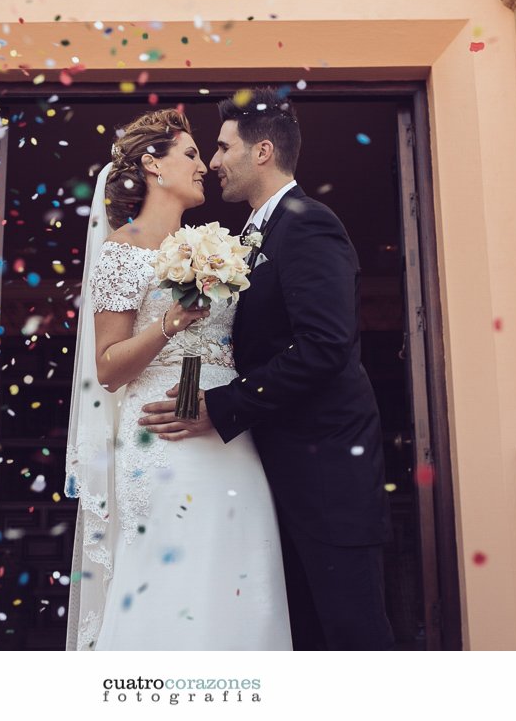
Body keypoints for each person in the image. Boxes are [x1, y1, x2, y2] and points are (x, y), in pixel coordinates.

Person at [139, 88, 395, 650]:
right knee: (299, 638)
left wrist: (220, 408)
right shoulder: (250, 237)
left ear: (260, 153)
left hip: (327, 478)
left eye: (223, 148)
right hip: (275, 472)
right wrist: (190, 401)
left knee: (352, 639)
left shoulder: (308, 223)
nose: (212, 162)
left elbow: (325, 347)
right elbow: (213, 344)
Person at [64, 108, 291, 651]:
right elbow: (109, 367)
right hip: (161, 436)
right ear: (152, 165)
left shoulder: (210, 247)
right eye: (190, 154)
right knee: (169, 576)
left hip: (229, 434)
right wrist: (171, 321)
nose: (204, 166)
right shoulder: (122, 251)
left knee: (242, 565)